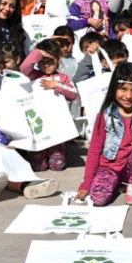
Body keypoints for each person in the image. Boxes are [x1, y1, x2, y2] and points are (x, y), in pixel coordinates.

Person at [74, 63, 132, 206]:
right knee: (98, 199)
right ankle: (116, 183)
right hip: (109, 168)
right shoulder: (104, 115)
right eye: (123, 89)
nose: (128, 96)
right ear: (113, 89)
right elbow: (94, 150)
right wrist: (87, 183)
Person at [20, 39, 79, 171]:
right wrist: (39, 53)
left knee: (57, 166)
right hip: (38, 125)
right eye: (42, 62)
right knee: (38, 167)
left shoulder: (63, 78)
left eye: (50, 61)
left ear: (58, 59)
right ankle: (40, 155)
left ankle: (60, 153)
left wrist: (56, 86)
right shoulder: (34, 76)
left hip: (57, 125)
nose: (46, 65)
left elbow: (73, 94)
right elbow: (24, 68)